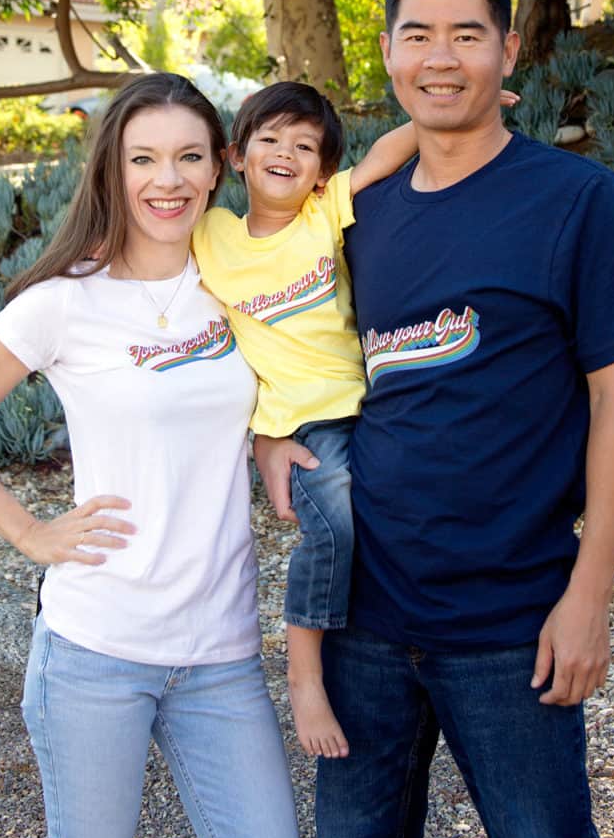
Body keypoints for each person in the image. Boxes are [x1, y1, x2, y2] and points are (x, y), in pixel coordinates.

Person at [254, 0, 614, 838]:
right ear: (387, 54)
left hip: (512, 622)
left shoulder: (574, 199)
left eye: (466, 35)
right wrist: (269, 432)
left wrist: (590, 594)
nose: (440, 57)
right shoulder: (360, 212)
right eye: (417, 35)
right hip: (364, 621)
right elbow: (284, 329)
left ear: (508, 52)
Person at [0, 73, 303, 838]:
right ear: (113, 169)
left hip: (221, 652)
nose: (167, 180)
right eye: (143, 158)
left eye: (188, 157)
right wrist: (28, 532)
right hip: (95, 653)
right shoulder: (63, 303)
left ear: (220, 168)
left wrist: (276, 441)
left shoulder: (240, 283)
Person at [194, 82, 518, 760]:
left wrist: (471, 105)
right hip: (303, 423)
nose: (286, 153)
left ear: (321, 169)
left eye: (305, 146)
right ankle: (305, 674)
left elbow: (391, 150)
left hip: (368, 404)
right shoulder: (211, 235)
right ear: (236, 156)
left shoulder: (321, 214)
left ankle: (428, 647)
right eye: (271, 139)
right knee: (333, 522)